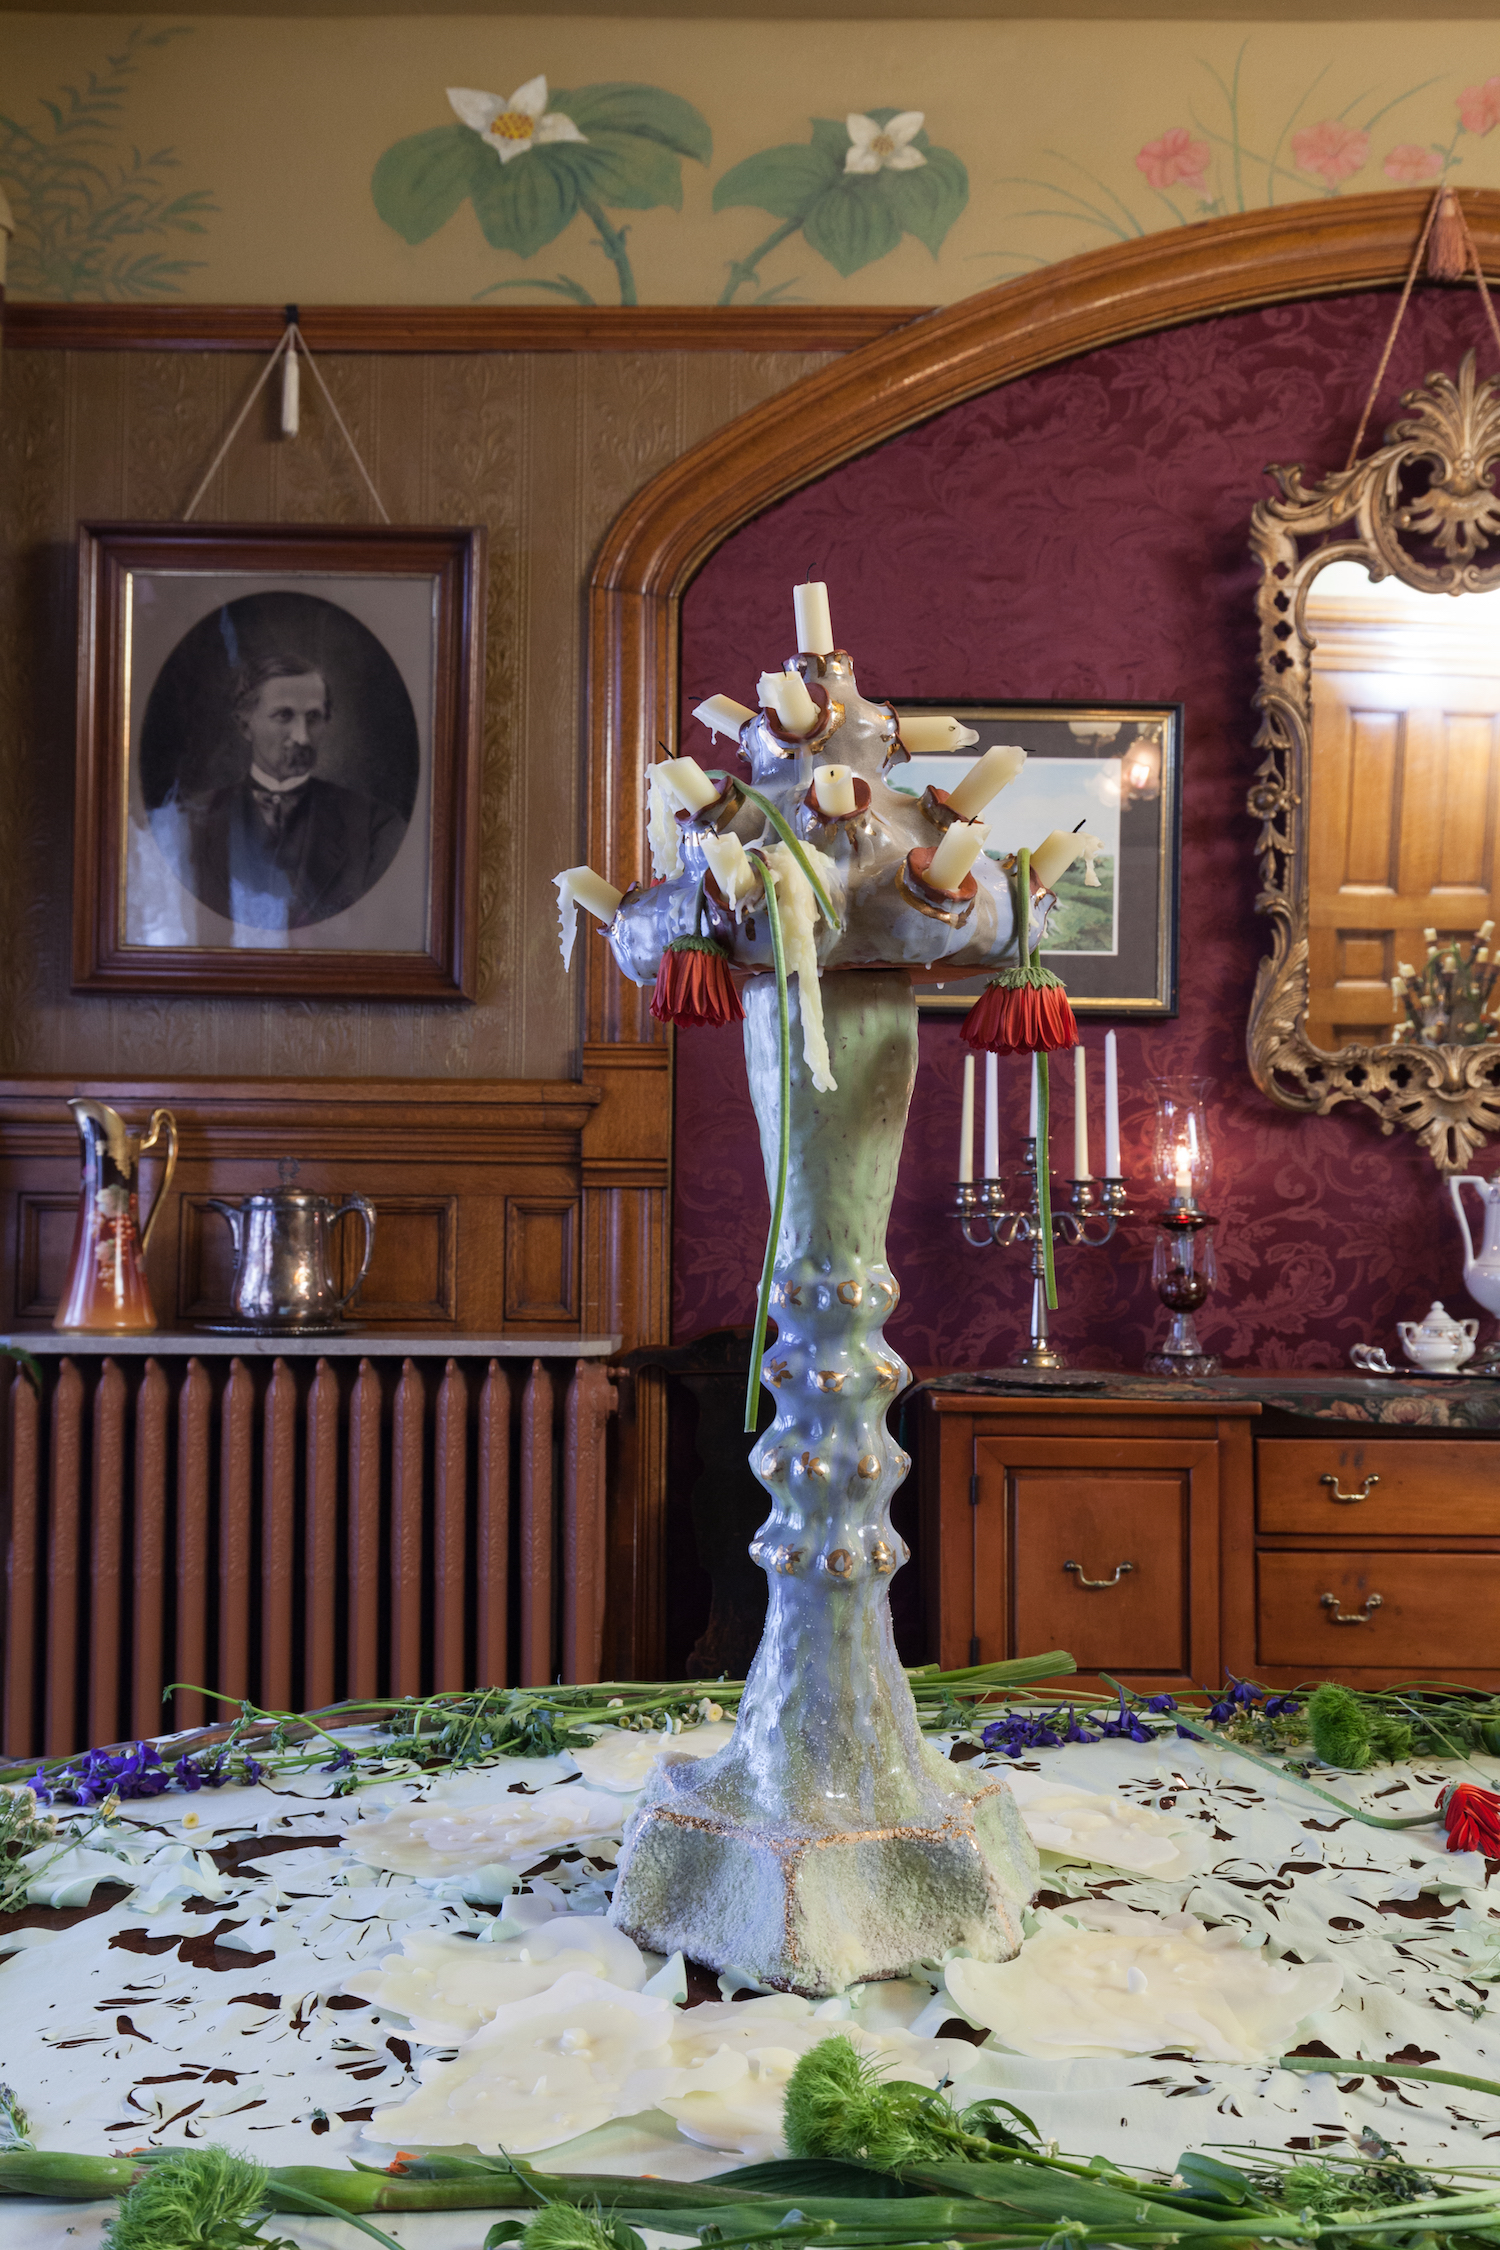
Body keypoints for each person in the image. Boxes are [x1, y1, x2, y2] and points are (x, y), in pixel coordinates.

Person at [159, 653, 408, 929]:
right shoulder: (187, 823)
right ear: (245, 725)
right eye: (283, 716)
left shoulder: (376, 827)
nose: (302, 737)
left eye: (313, 717)